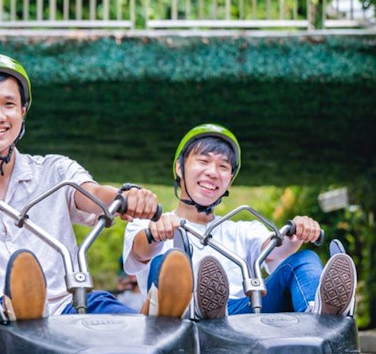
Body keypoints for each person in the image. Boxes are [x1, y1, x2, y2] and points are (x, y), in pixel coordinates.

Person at [0, 53, 191, 329]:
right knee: (11, 311)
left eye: (9, 104)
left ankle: (152, 324)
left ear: (22, 112)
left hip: (65, 308)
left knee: (104, 311)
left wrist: (127, 196)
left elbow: (93, 195)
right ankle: (23, 306)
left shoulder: (55, 170)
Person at [123, 123, 357, 319]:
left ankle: (320, 317)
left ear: (230, 180)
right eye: (203, 161)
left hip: (240, 315)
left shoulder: (243, 229)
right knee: (166, 262)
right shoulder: (148, 223)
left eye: (223, 167)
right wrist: (156, 233)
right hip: (177, 316)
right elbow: (139, 252)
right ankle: (203, 309)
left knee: (306, 259)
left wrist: (294, 237)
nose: (213, 172)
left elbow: (273, 250)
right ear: (180, 168)